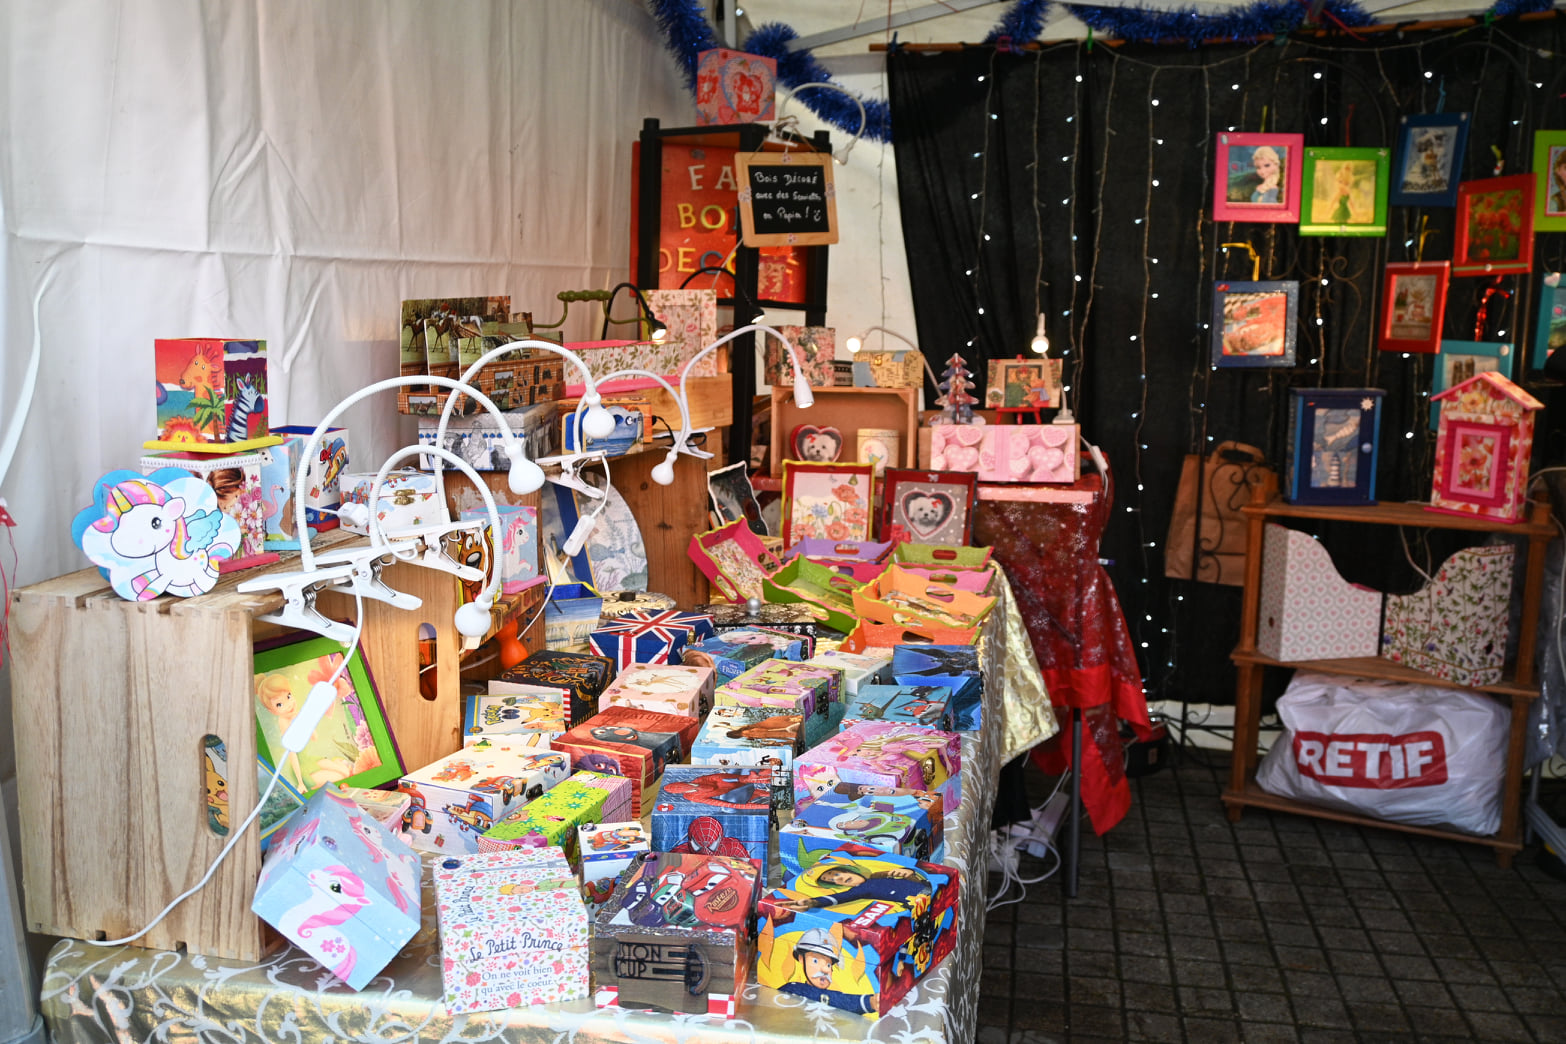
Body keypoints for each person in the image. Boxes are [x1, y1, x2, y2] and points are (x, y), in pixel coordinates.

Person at [778, 928, 875, 1015]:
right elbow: (837, 999)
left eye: (829, 965)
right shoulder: (793, 989)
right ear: (801, 959)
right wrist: (869, 1002)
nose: (825, 970)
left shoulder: (834, 996)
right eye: (815, 961)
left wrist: (871, 1002)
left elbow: (841, 1000)